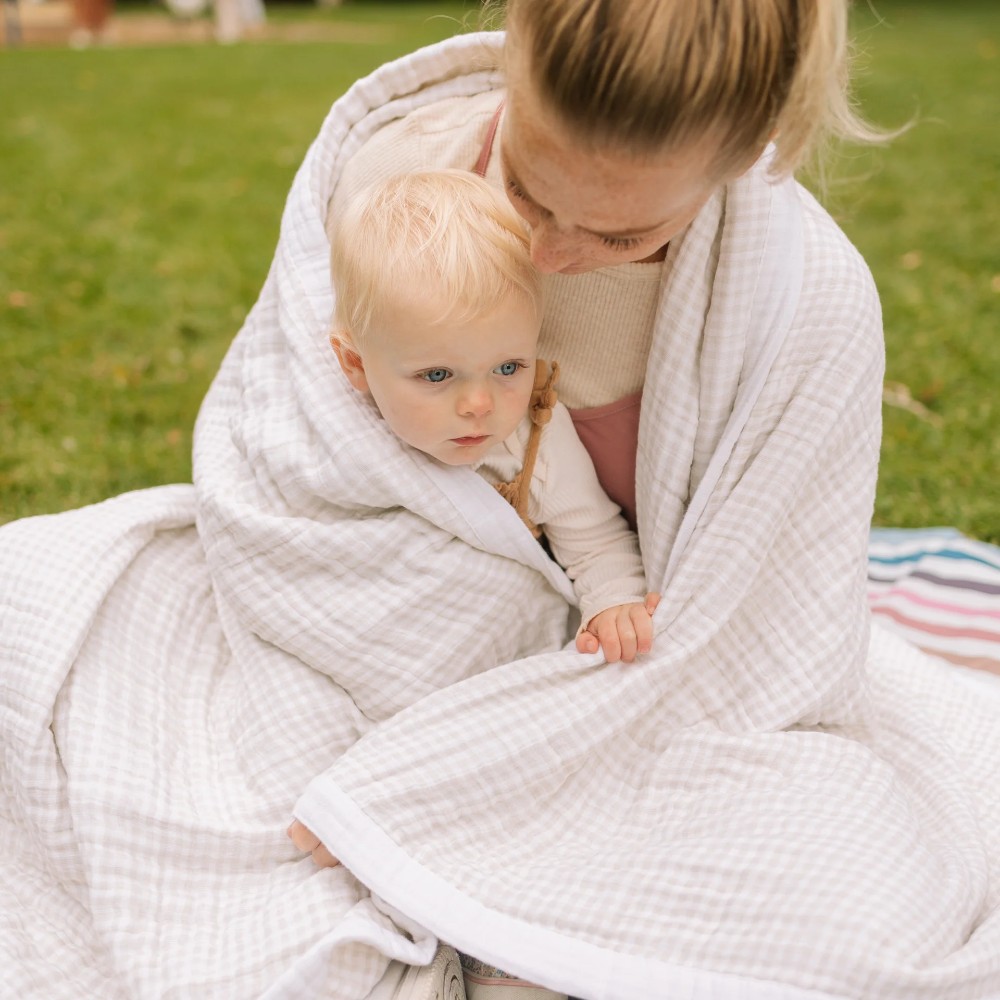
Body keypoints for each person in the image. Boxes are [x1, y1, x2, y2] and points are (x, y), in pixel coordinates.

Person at [9, 2, 1000, 999]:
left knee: (851, 901)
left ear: (756, 151)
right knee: (38, 623)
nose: (553, 252)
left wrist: (426, 783)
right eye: (528, 189)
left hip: (634, 672)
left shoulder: (807, 306)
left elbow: (756, 652)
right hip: (405, 650)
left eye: (620, 231)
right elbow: (297, 479)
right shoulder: (398, 183)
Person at [328, 168, 659, 666]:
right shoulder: (335, 421)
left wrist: (614, 602)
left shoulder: (535, 442)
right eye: (438, 375)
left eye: (508, 367)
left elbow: (594, 542)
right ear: (356, 364)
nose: (480, 404)